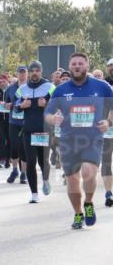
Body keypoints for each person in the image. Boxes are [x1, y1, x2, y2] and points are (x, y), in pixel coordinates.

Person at [45, 53, 113, 228]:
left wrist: (109, 121)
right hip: (68, 141)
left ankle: (88, 202)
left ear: (87, 66)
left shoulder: (102, 87)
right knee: (73, 180)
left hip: (92, 139)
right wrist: (53, 119)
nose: (77, 66)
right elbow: (48, 113)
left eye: (80, 64)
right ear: (69, 67)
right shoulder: (61, 90)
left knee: (88, 172)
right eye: (74, 64)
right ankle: (77, 213)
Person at [15, 60, 52, 203]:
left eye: (37, 70)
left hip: (44, 130)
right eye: (32, 71)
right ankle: (34, 194)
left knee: (43, 161)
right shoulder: (22, 89)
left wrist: (47, 104)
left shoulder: (50, 87)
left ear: (41, 71)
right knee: (31, 161)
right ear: (29, 73)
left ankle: (46, 179)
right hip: (28, 130)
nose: (34, 73)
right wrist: (21, 106)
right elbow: (15, 107)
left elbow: (59, 106)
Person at [5, 66, 29, 184]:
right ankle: (15, 170)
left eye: (24, 72)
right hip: (13, 121)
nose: (22, 74)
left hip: (26, 121)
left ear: (27, 74)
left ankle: (24, 173)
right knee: (14, 146)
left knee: (24, 147)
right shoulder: (10, 88)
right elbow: (6, 103)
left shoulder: (30, 87)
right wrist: (8, 105)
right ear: (17, 74)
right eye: (20, 72)